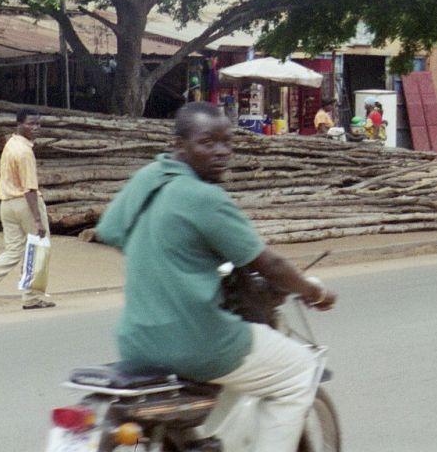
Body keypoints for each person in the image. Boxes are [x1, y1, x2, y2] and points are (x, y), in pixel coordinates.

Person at [95, 103, 337, 451]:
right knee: (299, 370)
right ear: (178, 143)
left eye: (228, 142)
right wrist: (315, 293)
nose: (222, 152)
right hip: (198, 343)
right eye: (208, 143)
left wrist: (174, 262)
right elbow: (270, 265)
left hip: (137, 341)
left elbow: (111, 231)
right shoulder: (205, 198)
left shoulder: (148, 177)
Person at [0, 107, 54, 311]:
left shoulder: (11, 143)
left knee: (14, 251)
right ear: (19, 124)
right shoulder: (25, 152)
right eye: (31, 123)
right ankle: (32, 297)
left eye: (38, 123)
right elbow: (30, 189)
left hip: (6, 204)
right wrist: (37, 219)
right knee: (39, 248)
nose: (35, 127)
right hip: (25, 204)